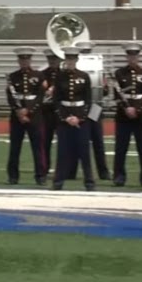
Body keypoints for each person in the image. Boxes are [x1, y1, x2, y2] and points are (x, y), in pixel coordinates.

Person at [51, 45, 96, 191]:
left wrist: (80, 117)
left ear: (77, 59)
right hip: (65, 118)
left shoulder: (84, 76)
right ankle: (58, 182)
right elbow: (56, 100)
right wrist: (65, 117)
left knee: (84, 151)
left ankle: (89, 182)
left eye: (73, 58)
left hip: (80, 119)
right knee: (63, 152)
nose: (70, 61)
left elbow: (88, 100)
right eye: (68, 58)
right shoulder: (59, 77)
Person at [112, 41, 142, 188]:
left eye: (135, 55)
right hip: (123, 117)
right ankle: (119, 177)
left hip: (141, 117)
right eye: (130, 55)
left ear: (139, 56)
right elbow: (117, 95)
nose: (132, 58)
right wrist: (126, 108)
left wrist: (137, 110)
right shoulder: (119, 73)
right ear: (126, 57)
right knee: (120, 149)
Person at [5, 46, 48, 186]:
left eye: (27, 59)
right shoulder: (12, 77)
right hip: (17, 116)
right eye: (22, 59)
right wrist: (18, 111)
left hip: (34, 116)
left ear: (30, 59)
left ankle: (40, 176)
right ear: (18, 60)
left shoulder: (39, 76)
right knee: (15, 147)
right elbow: (10, 96)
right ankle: (13, 176)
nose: (24, 61)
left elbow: (40, 97)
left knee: (38, 147)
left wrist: (28, 111)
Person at [76, 41, 112, 180]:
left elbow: (105, 92)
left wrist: (104, 87)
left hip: (95, 107)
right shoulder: (74, 71)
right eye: (83, 52)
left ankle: (103, 171)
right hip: (79, 107)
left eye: (87, 52)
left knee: (97, 140)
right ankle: (72, 170)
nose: (85, 54)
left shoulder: (98, 68)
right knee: (78, 141)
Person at [39, 50, 63, 179]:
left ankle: (62, 169)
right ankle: (45, 168)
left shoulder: (64, 74)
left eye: (55, 59)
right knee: (45, 142)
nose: (52, 61)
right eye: (50, 59)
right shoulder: (42, 74)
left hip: (60, 112)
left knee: (63, 143)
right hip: (46, 112)